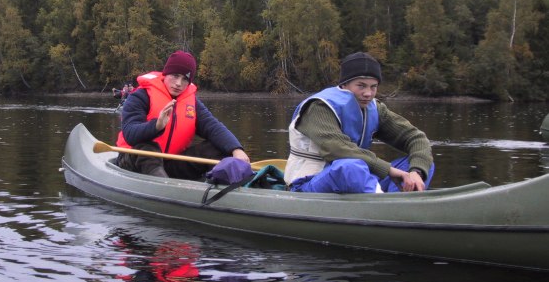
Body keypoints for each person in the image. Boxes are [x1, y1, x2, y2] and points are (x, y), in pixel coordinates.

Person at [284, 52, 434, 193]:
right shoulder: (319, 107)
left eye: (373, 86)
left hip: (357, 179)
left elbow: (416, 138)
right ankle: (387, 206)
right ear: (344, 85)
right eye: (361, 86)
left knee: (421, 162)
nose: (368, 93)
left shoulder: (375, 109)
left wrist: (416, 172)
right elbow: (338, 149)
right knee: (350, 166)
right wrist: (388, 169)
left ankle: (400, 202)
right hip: (308, 183)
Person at [116, 50, 250, 179]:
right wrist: (156, 126)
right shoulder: (140, 96)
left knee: (216, 148)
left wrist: (236, 149)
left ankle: (223, 182)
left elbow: (213, 127)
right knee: (148, 148)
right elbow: (130, 134)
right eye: (175, 76)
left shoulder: (192, 103)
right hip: (134, 159)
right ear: (165, 74)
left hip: (171, 163)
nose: (178, 83)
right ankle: (164, 186)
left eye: (185, 79)